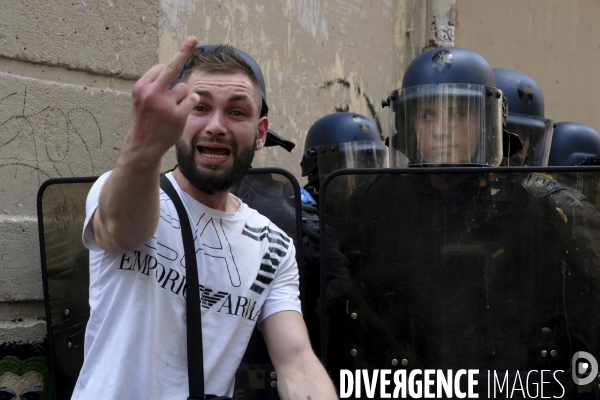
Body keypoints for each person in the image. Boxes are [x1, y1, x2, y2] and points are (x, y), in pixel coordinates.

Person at [322, 47, 600, 397]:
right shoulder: (374, 202)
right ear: (409, 123)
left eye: (457, 114)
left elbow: (579, 328)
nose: (441, 130)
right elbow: (350, 313)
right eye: (426, 115)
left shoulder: (538, 207)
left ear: (486, 122)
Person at [72, 36, 337, 399]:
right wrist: (144, 142)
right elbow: (120, 231)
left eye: (237, 112)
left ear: (260, 134)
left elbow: (297, 363)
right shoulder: (123, 189)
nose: (216, 125)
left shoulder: (273, 246)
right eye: (200, 107)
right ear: (178, 118)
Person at [493, 68, 554, 166]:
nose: (519, 147)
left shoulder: (530, 181)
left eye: (525, 135)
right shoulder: (464, 180)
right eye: (508, 131)